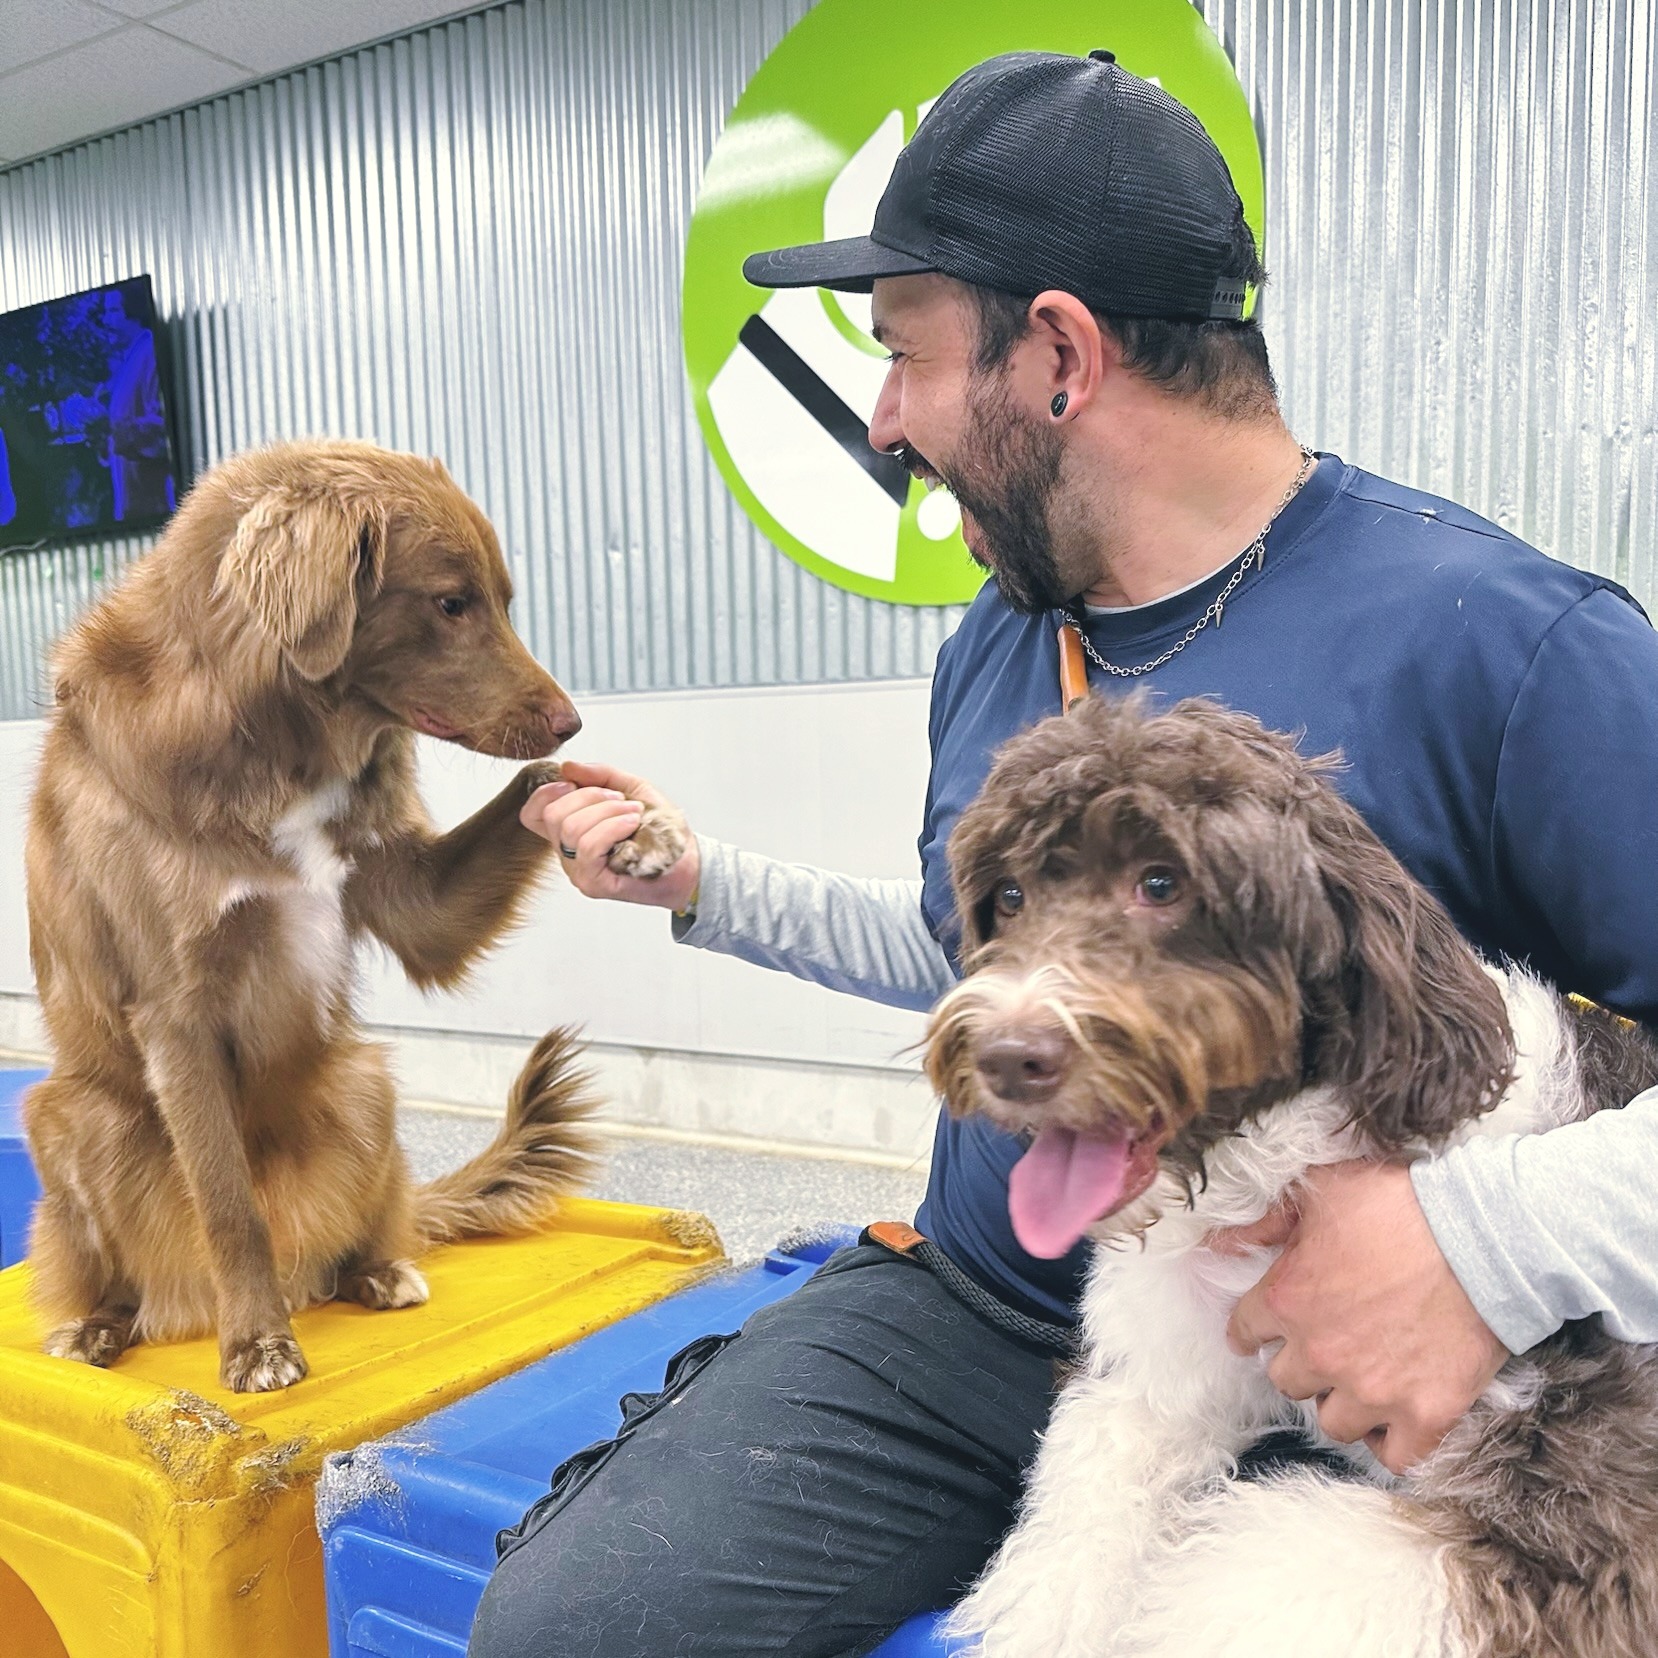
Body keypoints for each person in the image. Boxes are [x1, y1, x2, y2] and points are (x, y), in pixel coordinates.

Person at [469, 49, 1658, 1657]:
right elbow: (965, 957)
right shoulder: (997, 635)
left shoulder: (1513, 646)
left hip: (1388, 1361)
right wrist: (703, 886)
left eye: (901, 355)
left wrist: (1481, 1244)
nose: (883, 419)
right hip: (988, 1307)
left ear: (1057, 354)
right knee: (571, 1628)